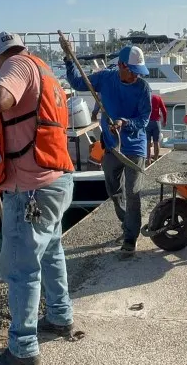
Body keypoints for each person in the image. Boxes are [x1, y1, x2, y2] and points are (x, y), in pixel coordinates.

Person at [0, 32, 76, 365]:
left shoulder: (17, 65)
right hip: (56, 181)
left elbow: (2, 97)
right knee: (51, 251)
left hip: (32, 189)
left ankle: (22, 349)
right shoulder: (44, 70)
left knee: (21, 268)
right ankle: (59, 316)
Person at [64, 45, 151, 253]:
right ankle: (127, 222)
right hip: (112, 146)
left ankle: (131, 236)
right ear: (121, 66)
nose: (136, 76)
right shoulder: (105, 78)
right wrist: (68, 60)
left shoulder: (143, 88)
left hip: (134, 148)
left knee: (132, 192)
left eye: (138, 72)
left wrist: (125, 123)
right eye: (133, 71)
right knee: (113, 190)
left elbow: (144, 119)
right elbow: (78, 82)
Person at [148, 92, 167, 160]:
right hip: (156, 122)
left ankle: (148, 159)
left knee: (148, 142)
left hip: (147, 122)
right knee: (156, 142)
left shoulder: (145, 98)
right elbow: (164, 110)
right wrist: (164, 121)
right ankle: (156, 158)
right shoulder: (158, 98)